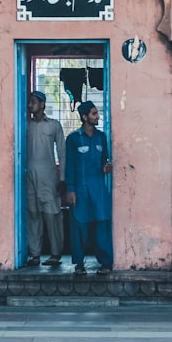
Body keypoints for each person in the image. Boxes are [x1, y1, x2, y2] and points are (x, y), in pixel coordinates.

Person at [64, 100, 113, 275]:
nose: (97, 116)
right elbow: (69, 165)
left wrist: (107, 167)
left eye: (97, 113)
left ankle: (105, 263)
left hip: (98, 189)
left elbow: (104, 161)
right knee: (79, 227)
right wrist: (70, 189)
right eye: (93, 114)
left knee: (101, 225)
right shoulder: (73, 139)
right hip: (80, 190)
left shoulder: (101, 137)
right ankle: (79, 264)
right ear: (84, 117)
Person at [24, 90, 66, 267]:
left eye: (33, 102)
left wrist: (62, 178)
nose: (30, 105)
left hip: (49, 178)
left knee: (52, 215)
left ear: (42, 104)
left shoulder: (53, 125)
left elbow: (62, 153)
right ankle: (35, 254)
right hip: (29, 177)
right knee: (33, 215)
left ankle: (55, 254)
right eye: (29, 102)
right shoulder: (25, 125)